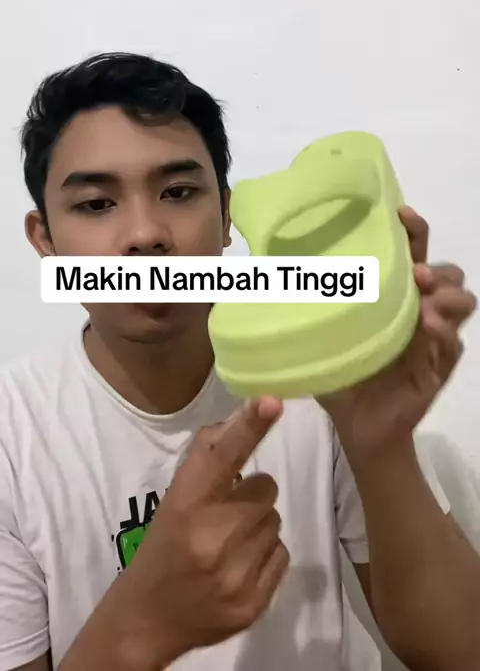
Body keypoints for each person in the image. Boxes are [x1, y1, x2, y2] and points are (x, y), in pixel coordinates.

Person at [0, 51, 478, 671]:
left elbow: (462, 653)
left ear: (227, 218)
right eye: (96, 204)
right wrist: (141, 626)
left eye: (178, 192)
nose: (145, 235)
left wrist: (380, 445)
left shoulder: (320, 372)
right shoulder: (13, 436)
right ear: (45, 240)